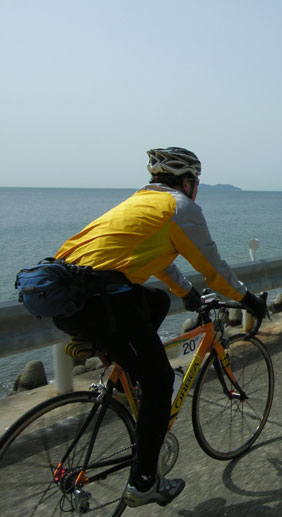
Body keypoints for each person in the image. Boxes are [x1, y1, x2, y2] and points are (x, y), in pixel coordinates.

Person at [52, 147, 267, 508]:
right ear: (188, 182)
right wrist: (248, 299)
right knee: (161, 381)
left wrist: (187, 294)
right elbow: (214, 268)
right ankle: (143, 482)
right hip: (103, 302)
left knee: (156, 300)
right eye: (195, 182)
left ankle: (120, 368)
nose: (195, 188)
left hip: (66, 297)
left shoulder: (141, 203)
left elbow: (159, 261)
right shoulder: (180, 207)